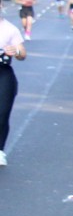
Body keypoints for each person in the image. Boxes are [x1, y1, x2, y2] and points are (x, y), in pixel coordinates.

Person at [0, 17, 26, 166]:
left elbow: (22, 54)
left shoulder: (10, 29)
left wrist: (15, 51)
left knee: (2, 112)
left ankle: (0, 151)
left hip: (3, 73)